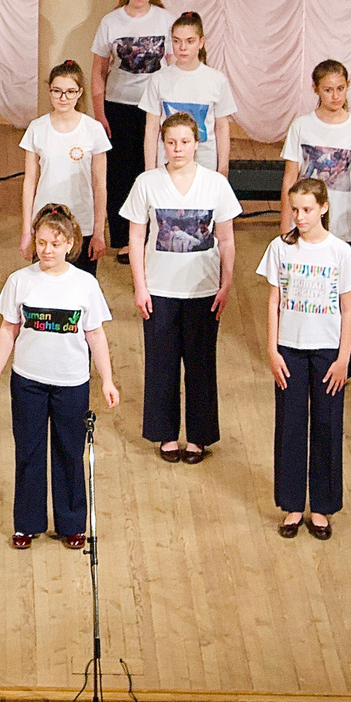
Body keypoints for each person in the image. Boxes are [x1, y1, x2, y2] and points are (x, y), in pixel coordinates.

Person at [0, 205, 120, 550]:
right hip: (27, 380)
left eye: (55, 244)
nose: (47, 250)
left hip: (71, 382)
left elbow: (96, 335)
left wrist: (107, 380)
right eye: (41, 243)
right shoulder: (19, 281)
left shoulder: (85, 284)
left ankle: (71, 523)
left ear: (70, 244)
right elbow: (8, 329)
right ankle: (27, 523)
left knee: (69, 452)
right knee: (28, 451)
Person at [121, 113, 239, 464]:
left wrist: (226, 283)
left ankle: (199, 436)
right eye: (171, 142)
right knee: (162, 364)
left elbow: (227, 239)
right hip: (160, 288)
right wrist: (140, 287)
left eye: (185, 142)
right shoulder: (147, 183)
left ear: (197, 143)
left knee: (202, 364)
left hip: (203, 290)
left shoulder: (216, 184)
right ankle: (166, 434)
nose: (178, 149)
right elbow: (136, 236)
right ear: (163, 143)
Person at [258, 177, 351, 539]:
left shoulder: (339, 252)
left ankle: (322, 506)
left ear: (324, 208)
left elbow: (348, 310)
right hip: (289, 348)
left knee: (327, 427)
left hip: (328, 351)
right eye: (295, 210)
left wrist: (343, 358)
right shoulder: (280, 249)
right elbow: (273, 301)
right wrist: (272, 349)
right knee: (289, 426)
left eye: (307, 210)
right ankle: (291, 505)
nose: (300, 217)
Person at [90, 0, 172, 263]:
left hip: (154, 109)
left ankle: (152, 234)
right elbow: (98, 71)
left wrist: (171, 112)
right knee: (120, 174)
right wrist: (100, 115)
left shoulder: (165, 20)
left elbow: (174, 70)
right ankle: (124, 238)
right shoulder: (111, 22)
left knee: (151, 169)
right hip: (118, 106)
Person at [282, 59, 351, 265]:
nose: (335, 96)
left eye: (340, 88)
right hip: (304, 226)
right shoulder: (301, 126)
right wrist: (284, 227)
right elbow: (289, 179)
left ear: (348, 85)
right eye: (328, 90)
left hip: (343, 230)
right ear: (315, 89)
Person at [19, 61, 110, 271]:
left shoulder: (93, 130)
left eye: (70, 92)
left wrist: (98, 232)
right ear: (49, 90)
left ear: (80, 93)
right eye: (57, 91)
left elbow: (99, 186)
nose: (63, 98)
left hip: (82, 223)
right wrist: (26, 232)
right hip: (44, 222)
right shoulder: (37, 128)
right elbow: (29, 182)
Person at [140, 11, 236, 175]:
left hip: (205, 165)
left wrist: (223, 169)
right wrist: (149, 170)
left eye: (189, 41)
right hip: (167, 165)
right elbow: (151, 129)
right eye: (177, 41)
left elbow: (222, 128)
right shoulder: (158, 79)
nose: (182, 47)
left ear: (201, 42)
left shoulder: (217, 80)